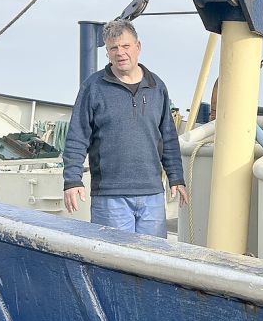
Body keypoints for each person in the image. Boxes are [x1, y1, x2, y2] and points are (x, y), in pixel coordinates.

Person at [63, 19, 188, 237]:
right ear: (108, 53)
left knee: (154, 260)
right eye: (113, 48)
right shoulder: (93, 87)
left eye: (125, 46)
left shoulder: (157, 87)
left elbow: (168, 136)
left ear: (138, 47)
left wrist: (176, 177)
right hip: (110, 196)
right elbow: (77, 136)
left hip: (152, 195)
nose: (120, 52)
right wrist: (72, 180)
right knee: (115, 262)